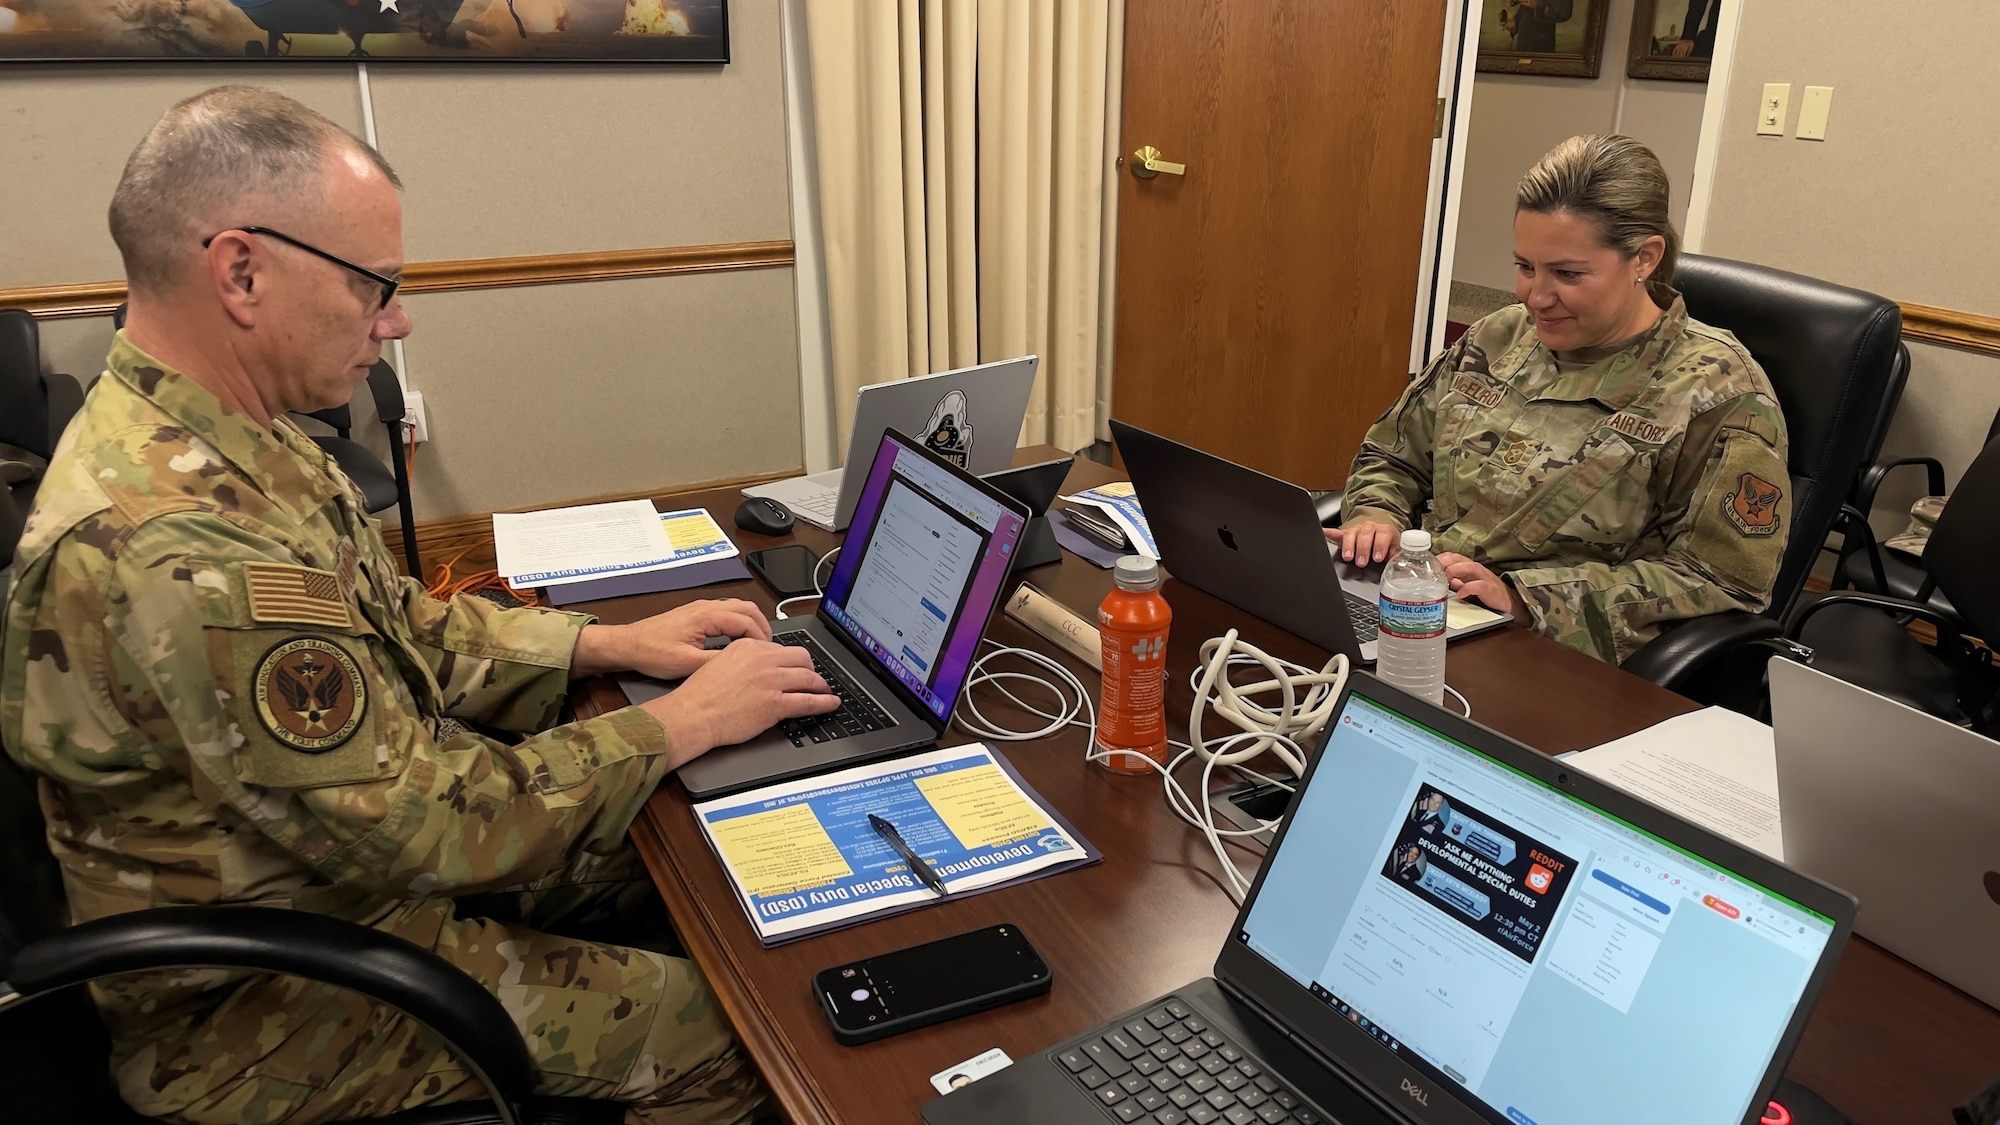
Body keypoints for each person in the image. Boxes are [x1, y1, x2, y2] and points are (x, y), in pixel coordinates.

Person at [0, 86, 843, 1125]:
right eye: (374, 286)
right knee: (752, 1032)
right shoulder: (183, 545)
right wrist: (679, 722)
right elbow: (426, 828)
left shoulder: (235, 441)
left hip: (338, 888)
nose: (397, 321)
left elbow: (401, 623)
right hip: (266, 1004)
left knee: (718, 861)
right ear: (241, 271)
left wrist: (607, 644)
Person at [1330, 134, 1790, 665]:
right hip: (1420, 609)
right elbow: (1392, 456)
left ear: (1644, 257)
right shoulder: (1498, 337)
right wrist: (1375, 517)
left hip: (1549, 653)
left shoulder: (1719, 393)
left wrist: (1527, 600)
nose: (1536, 297)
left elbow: (1721, 581)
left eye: (1567, 274)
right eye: (1525, 267)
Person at [1501, 0, 1574, 53]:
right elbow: (1526, 8)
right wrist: (1515, 23)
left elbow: (1565, 10)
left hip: (1541, 49)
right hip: (1523, 48)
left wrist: (1538, 4)